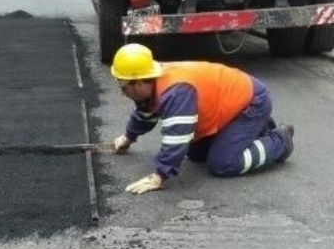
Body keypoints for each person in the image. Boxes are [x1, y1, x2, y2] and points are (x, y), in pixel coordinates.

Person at [110, 43, 294, 195]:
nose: (122, 92)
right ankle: (256, 128)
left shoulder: (176, 92)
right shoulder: (152, 84)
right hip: (230, 106)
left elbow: (178, 137)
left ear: (140, 82)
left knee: (223, 164)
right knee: (196, 154)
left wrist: (160, 175)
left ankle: (280, 140)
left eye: (124, 87)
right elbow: (145, 114)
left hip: (251, 103)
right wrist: (128, 137)